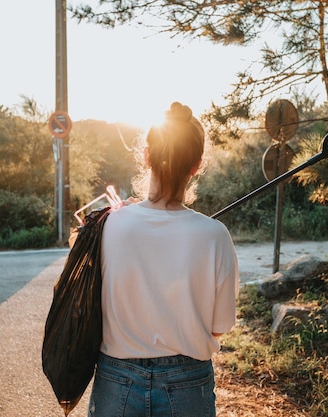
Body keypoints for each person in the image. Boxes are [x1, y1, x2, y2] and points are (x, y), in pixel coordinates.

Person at [87, 102, 239, 417]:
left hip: (116, 380)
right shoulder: (215, 235)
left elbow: (85, 302)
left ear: (146, 156)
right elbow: (220, 327)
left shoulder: (109, 225)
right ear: (197, 165)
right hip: (187, 384)